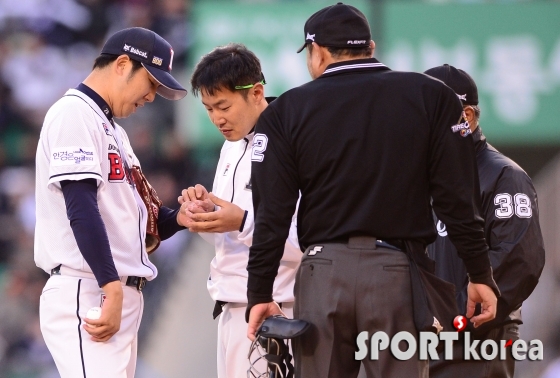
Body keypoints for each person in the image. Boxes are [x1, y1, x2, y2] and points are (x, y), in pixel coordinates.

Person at [245, 3, 500, 378]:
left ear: (317, 52)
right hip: (395, 274)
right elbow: (456, 200)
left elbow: (273, 215)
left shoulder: (286, 111)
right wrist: (479, 273)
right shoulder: (433, 96)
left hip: (323, 273)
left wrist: (260, 294)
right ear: (371, 46)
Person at [34, 27, 189, 377]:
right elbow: (80, 208)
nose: (152, 96)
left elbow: (136, 224)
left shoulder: (113, 130)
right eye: (150, 83)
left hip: (111, 288)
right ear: (122, 64)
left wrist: (181, 217)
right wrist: (111, 287)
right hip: (89, 288)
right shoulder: (74, 113)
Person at [179, 43, 301, 378]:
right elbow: (228, 238)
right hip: (230, 303)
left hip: (278, 306)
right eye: (208, 108)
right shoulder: (230, 145)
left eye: (223, 106)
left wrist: (242, 221)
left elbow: (310, 242)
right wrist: (204, 216)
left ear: (257, 92)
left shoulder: (293, 140)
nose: (216, 118)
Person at [424, 64, 545, 378]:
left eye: (427, 112)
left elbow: (519, 261)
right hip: (421, 341)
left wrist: (451, 318)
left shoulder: (504, 175)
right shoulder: (419, 175)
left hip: (479, 341)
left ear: (466, 116)